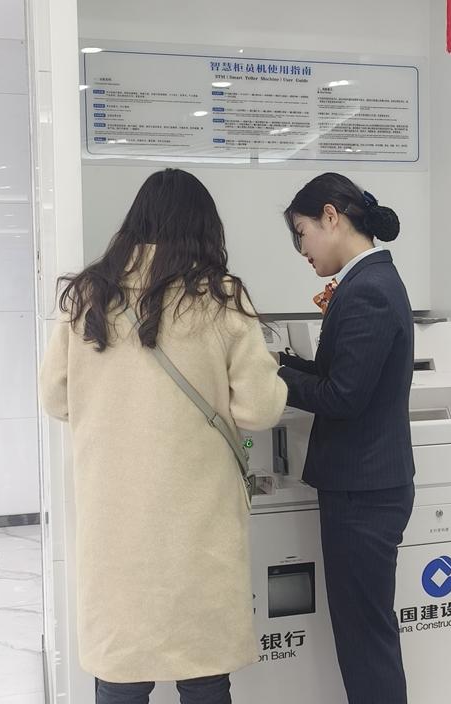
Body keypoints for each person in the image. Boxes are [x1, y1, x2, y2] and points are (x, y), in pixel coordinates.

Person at [39, 168, 287, 704]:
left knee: (120, 677)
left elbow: (55, 399)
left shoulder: (86, 295)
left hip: (114, 524)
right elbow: (260, 408)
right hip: (197, 524)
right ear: (204, 228)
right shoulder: (220, 297)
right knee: (204, 674)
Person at [276, 172, 416, 703]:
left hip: (363, 493)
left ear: (331, 217)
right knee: (362, 635)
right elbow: (341, 374)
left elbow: (342, 396)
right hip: (364, 488)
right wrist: (283, 361)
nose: (302, 250)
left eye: (302, 233)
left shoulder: (369, 290)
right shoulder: (367, 282)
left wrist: (274, 377)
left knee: (365, 641)